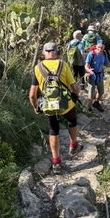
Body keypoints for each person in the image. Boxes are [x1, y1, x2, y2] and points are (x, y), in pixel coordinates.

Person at [29, 42, 82, 174]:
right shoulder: (63, 65)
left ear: (43, 53)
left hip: (48, 106)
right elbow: (75, 88)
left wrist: (36, 107)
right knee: (72, 120)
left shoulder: (37, 68)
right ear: (56, 53)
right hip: (65, 104)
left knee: (53, 131)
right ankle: (73, 145)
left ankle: (56, 162)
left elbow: (32, 95)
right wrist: (75, 97)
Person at [84, 42, 110, 112]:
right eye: (99, 47)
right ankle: (88, 107)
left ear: (104, 48)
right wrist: (89, 70)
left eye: (101, 48)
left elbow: (106, 63)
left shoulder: (104, 54)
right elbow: (86, 65)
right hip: (91, 75)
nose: (100, 49)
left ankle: (96, 103)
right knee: (91, 94)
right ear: (96, 46)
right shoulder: (91, 54)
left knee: (101, 92)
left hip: (100, 75)